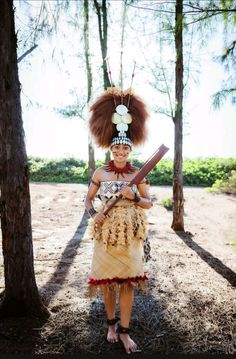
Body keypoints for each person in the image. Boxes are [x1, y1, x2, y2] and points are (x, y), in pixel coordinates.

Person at [85, 87, 152, 354]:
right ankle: (110, 325)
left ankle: (125, 332)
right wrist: (94, 214)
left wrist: (133, 197)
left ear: (130, 149)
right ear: (111, 148)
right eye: (117, 148)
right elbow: (88, 200)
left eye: (125, 148)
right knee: (108, 282)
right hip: (106, 234)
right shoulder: (100, 173)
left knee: (127, 281)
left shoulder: (138, 173)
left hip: (131, 236)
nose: (121, 152)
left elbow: (149, 203)